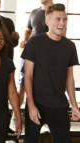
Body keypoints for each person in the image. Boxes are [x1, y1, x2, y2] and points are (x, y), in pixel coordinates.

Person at [22, 4, 80, 143]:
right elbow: (28, 76)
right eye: (58, 19)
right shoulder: (34, 43)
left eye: (65, 19)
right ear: (47, 22)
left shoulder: (70, 46)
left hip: (59, 106)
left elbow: (69, 79)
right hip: (37, 104)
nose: (62, 23)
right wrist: (31, 105)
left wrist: (74, 105)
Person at [18, 0, 54, 108]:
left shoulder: (56, 12)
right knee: (22, 85)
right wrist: (24, 40)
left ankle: (44, 115)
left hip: (45, 57)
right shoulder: (34, 12)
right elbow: (28, 30)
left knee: (44, 86)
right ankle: (16, 116)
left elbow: (62, 36)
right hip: (28, 55)